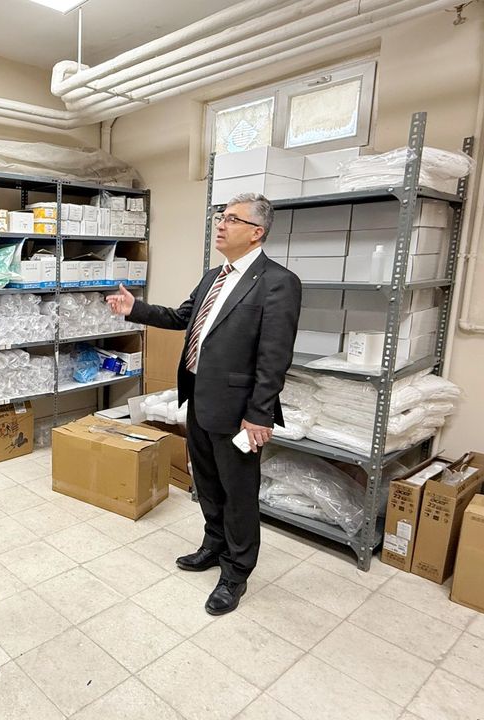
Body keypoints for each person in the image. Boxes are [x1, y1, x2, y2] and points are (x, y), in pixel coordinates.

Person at [106, 192, 300, 615]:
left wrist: (258, 415)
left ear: (256, 232)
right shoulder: (214, 275)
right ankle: (214, 545)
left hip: (238, 410)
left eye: (232, 219)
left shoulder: (278, 282)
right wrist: (135, 308)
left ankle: (236, 572)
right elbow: (181, 318)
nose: (221, 224)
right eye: (220, 217)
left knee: (239, 493)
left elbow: (274, 357)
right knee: (207, 483)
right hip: (199, 397)